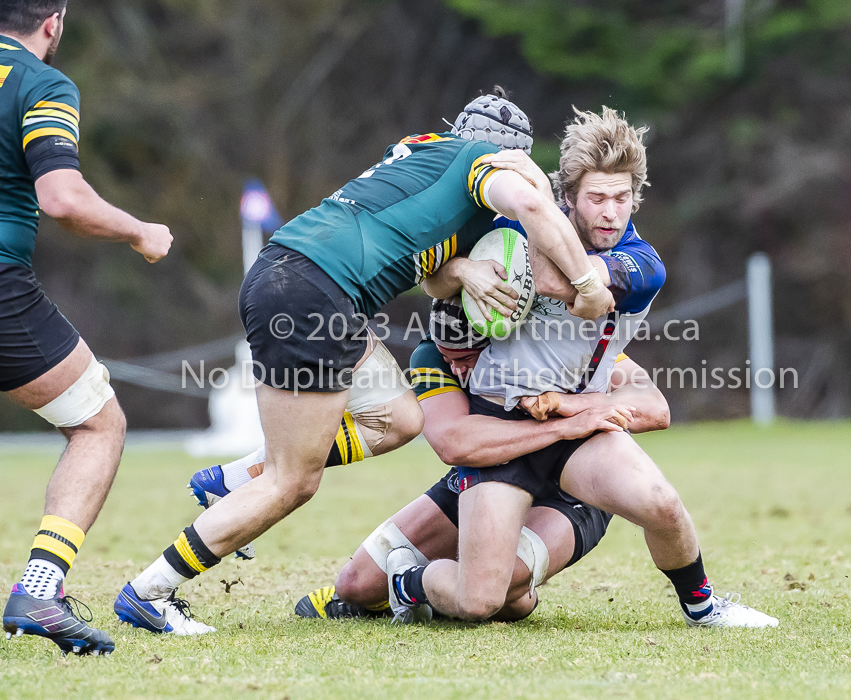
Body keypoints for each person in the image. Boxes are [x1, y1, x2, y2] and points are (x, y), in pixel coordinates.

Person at [114, 88, 615, 635]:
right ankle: (150, 592)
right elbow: (534, 206)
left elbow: (430, 273)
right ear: (508, 157)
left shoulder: (419, 150)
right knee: (293, 482)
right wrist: (586, 284)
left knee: (400, 418)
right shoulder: (480, 164)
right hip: (314, 293)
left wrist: (468, 271)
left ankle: (234, 478)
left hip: (298, 279)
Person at [387, 107, 779, 628]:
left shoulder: (641, 262)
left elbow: (563, 281)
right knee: (483, 600)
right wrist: (465, 268)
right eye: (596, 198)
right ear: (570, 197)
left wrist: (531, 214)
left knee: (660, 503)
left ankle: (703, 607)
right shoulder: (513, 223)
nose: (611, 213)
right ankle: (408, 581)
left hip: (576, 431)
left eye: (622, 198)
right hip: (502, 419)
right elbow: (431, 272)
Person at [290, 296, 668, 622]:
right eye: (450, 357)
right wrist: (561, 428)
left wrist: (581, 404)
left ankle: (414, 584)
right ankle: (420, 591)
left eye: (467, 357)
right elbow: (453, 443)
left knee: (503, 595)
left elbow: (655, 409)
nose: (457, 368)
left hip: (571, 489)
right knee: (355, 584)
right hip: (491, 473)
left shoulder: (561, 343)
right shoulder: (433, 353)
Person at [0, 0, 172, 656]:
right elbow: (62, 198)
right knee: (99, 423)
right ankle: (40, 589)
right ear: (54, 22)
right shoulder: (40, 82)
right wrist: (140, 231)